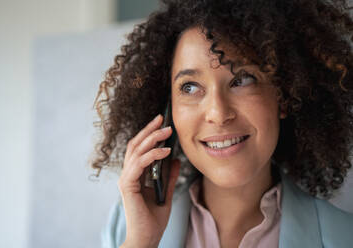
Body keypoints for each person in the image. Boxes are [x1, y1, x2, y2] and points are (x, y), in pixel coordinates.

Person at [91, 0, 353, 247]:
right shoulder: (127, 227)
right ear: (168, 110)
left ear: (282, 96)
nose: (218, 113)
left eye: (242, 80)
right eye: (190, 87)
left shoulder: (344, 236)